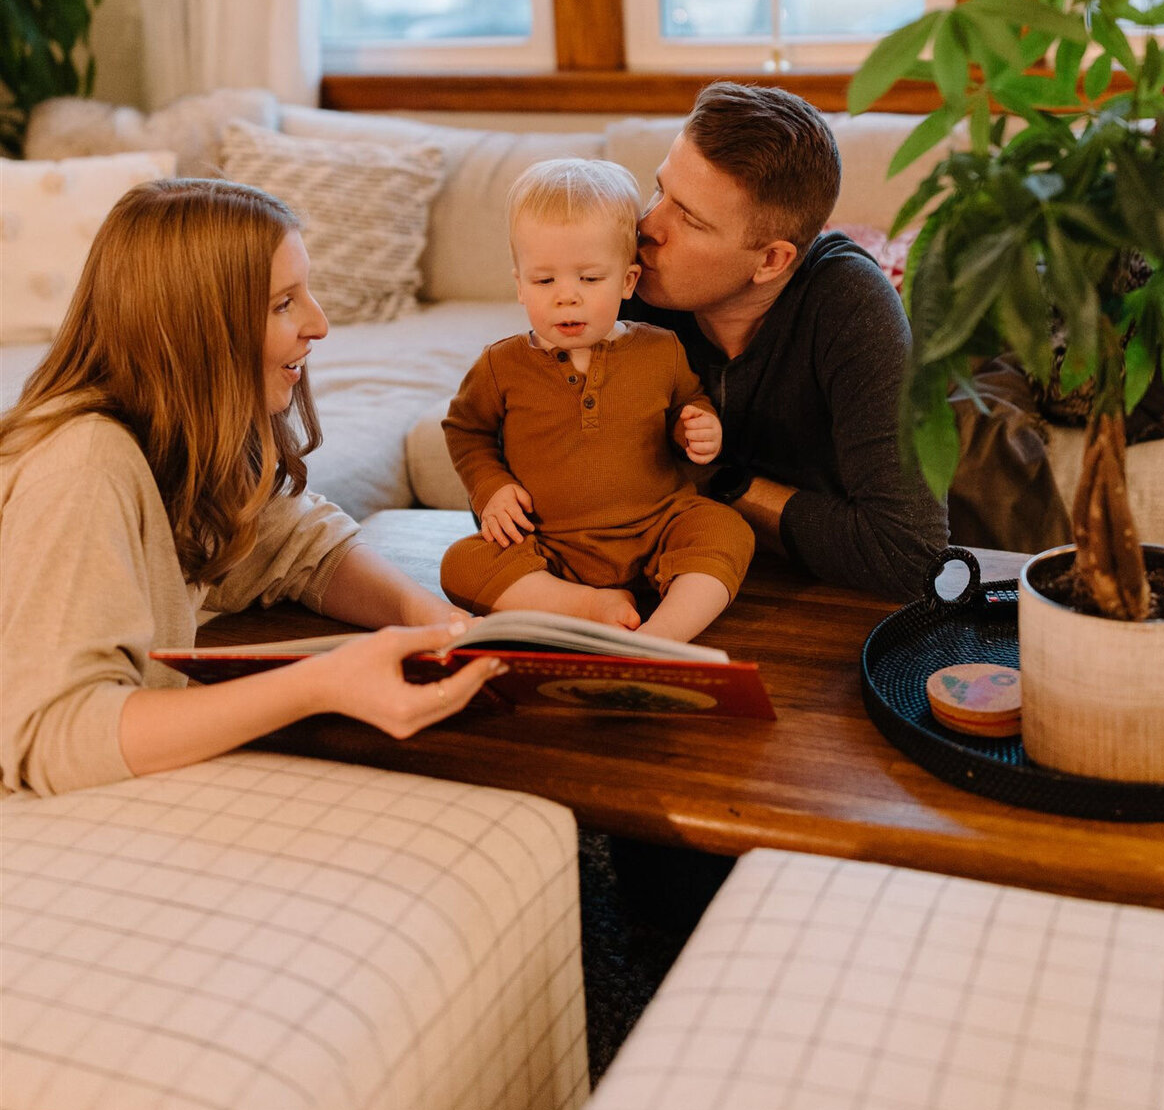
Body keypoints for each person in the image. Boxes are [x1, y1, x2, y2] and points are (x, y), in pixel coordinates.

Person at [0, 179, 504, 798]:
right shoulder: (83, 465)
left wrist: (422, 614)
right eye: (282, 304)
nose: (318, 324)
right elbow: (55, 734)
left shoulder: (176, 441)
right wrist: (319, 683)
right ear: (192, 331)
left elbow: (292, 538)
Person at [630, 82, 948, 600]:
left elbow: (910, 553)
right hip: (665, 585)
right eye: (660, 189)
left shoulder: (849, 303)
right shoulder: (630, 276)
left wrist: (720, 483)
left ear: (772, 260)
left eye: (688, 217)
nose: (647, 225)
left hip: (820, 606)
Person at [440, 159, 754, 643]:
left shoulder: (661, 348)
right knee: (461, 564)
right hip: (548, 544)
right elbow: (466, 431)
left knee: (727, 529)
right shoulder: (500, 366)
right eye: (545, 281)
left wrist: (698, 427)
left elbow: (686, 404)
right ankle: (582, 605)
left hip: (658, 525)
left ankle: (662, 636)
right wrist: (490, 486)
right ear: (520, 285)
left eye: (589, 279)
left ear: (627, 282)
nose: (567, 297)